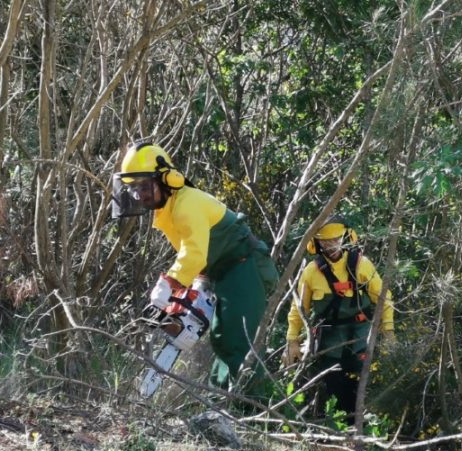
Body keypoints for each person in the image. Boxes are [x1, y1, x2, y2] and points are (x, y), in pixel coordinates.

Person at [111, 141, 278, 389]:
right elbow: (197, 254)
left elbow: (194, 252)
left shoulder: (186, 204)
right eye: (134, 189)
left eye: (144, 186)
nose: (140, 195)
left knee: (236, 340)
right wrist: (191, 290)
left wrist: (168, 283)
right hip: (222, 272)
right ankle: (220, 403)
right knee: (222, 338)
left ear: (166, 179)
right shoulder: (167, 211)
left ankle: (244, 410)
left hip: (246, 266)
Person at [282, 217, 394, 416]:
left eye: (336, 239)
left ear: (346, 237)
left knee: (359, 382)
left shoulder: (361, 265)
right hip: (329, 338)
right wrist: (292, 341)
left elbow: (384, 299)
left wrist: (389, 331)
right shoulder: (311, 272)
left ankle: (358, 424)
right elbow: (298, 309)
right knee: (332, 381)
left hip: (360, 335)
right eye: (325, 242)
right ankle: (336, 425)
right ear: (316, 243)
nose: (331, 245)